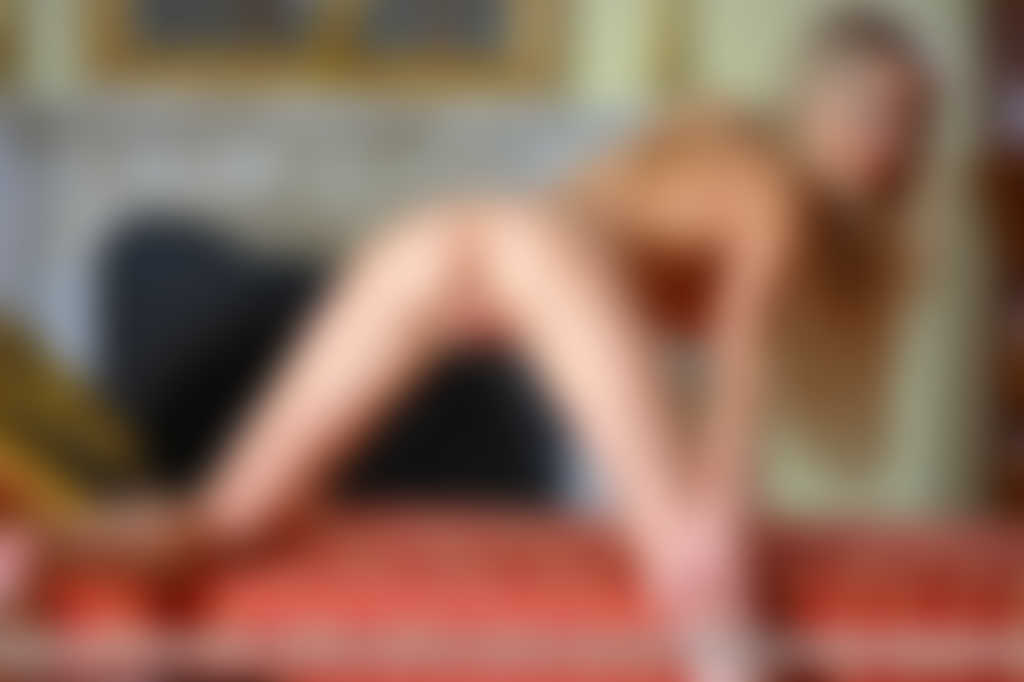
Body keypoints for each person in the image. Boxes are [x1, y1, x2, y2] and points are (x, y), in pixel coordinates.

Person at [13, 7, 936, 681]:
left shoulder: (728, 157)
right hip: (532, 251)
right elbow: (738, 389)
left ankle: (36, 554)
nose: (895, 150)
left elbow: (686, 382)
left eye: (911, 122)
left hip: (446, 239)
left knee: (231, 518)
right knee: (685, 542)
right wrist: (718, 533)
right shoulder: (776, 198)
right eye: (879, 118)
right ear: (822, 112)